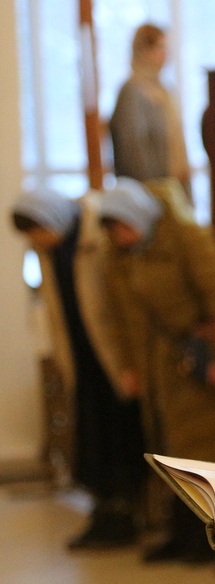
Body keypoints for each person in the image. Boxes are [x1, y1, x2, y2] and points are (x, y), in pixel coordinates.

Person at [99, 177, 215, 563]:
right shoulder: (119, 257)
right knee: (166, 449)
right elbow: (120, 317)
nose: (121, 236)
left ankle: (213, 535)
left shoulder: (187, 237)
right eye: (113, 229)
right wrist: (129, 367)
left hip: (195, 360)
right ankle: (181, 532)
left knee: (206, 446)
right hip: (156, 367)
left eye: (124, 226)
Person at [11, 188, 145, 548]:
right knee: (92, 438)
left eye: (39, 231)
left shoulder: (97, 235)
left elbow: (118, 303)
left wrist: (129, 363)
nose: (38, 240)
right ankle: (103, 513)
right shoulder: (48, 252)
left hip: (111, 355)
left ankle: (126, 517)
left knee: (121, 436)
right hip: (81, 356)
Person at [109, 24, 191, 197]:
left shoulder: (164, 90)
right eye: (160, 48)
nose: (165, 55)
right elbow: (133, 150)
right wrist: (154, 191)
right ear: (144, 50)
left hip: (172, 187)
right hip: (149, 193)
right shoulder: (132, 91)